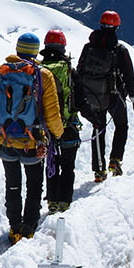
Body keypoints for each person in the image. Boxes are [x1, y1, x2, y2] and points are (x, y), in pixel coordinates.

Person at [0, 32, 66, 243]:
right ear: (36, 52)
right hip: (33, 141)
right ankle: (28, 227)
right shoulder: (43, 75)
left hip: (5, 139)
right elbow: (52, 113)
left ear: (17, 49)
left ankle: (14, 227)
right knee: (35, 185)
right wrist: (58, 135)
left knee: (13, 184)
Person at [76, 10, 134, 181]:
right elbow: (129, 77)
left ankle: (98, 171)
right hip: (115, 96)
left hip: (92, 96)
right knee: (121, 125)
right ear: (117, 27)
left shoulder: (88, 47)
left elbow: (80, 70)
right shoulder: (119, 50)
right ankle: (115, 159)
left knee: (98, 129)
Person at [39, 30, 81, 213]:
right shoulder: (69, 70)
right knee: (68, 165)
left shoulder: (38, 70)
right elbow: (80, 98)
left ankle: (52, 201)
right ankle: (65, 201)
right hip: (68, 126)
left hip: (45, 127)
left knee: (51, 163)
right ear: (63, 47)